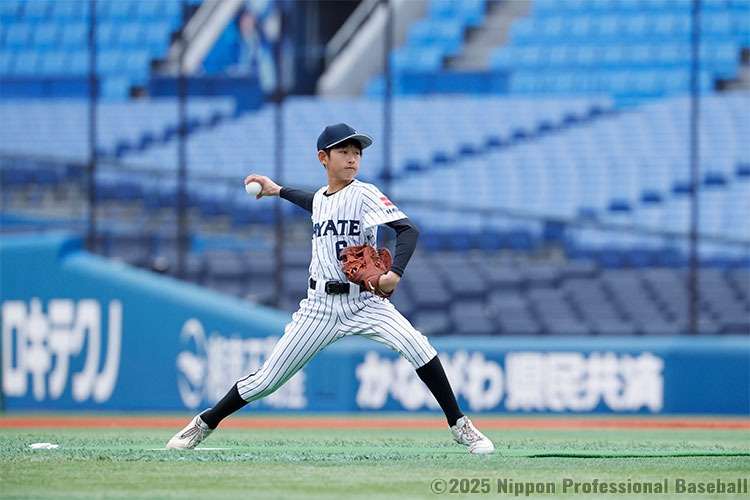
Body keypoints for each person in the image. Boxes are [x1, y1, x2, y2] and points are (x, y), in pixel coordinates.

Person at [166, 123, 494, 454]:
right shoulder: (322, 199)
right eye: (344, 151)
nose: (352, 158)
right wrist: (277, 190)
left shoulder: (364, 194)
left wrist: (394, 273)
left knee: (418, 347)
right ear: (323, 157)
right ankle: (204, 423)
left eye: (357, 153)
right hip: (319, 306)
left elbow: (408, 230)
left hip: (365, 302)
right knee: (266, 381)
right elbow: (315, 202)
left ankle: (459, 425)